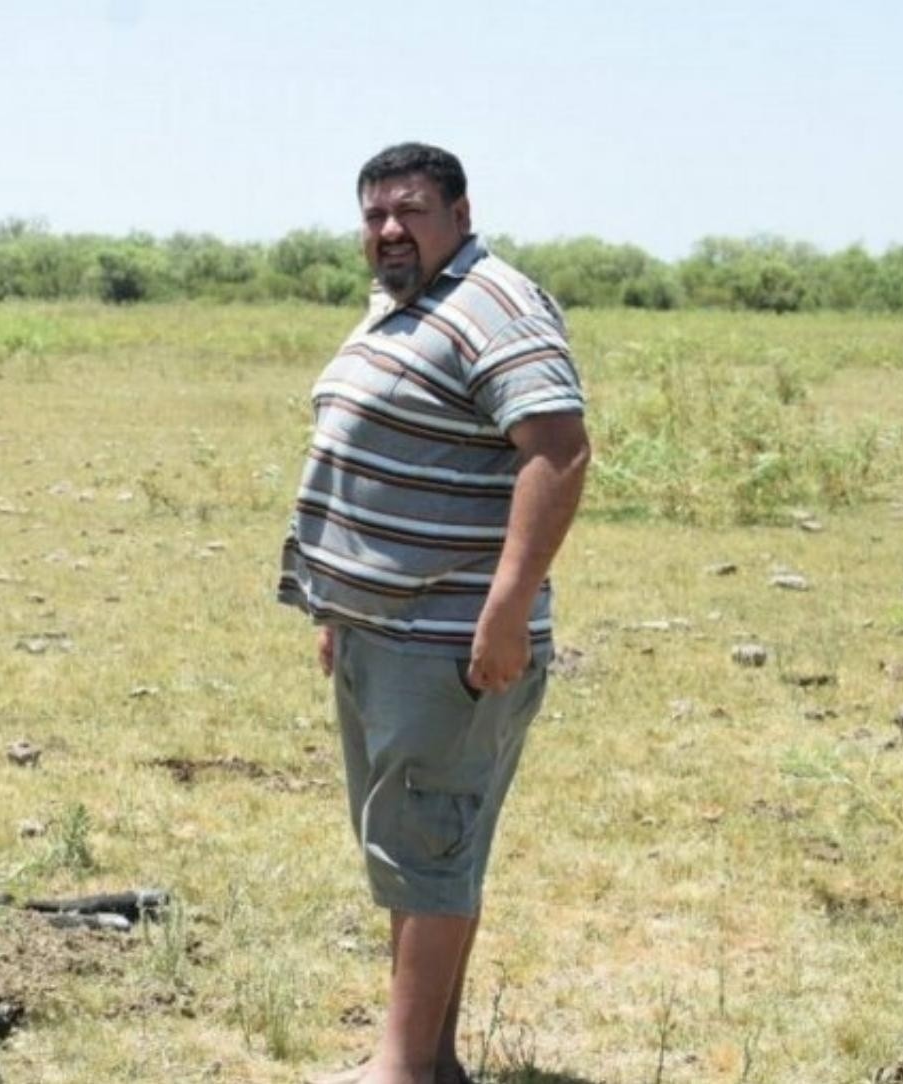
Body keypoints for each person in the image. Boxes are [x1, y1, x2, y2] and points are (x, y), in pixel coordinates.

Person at [278, 143, 590, 1084]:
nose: (387, 230)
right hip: (382, 631)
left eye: (409, 210)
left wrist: (504, 610)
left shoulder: (496, 303)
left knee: (428, 842)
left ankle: (400, 1072)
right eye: (373, 213)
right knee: (416, 850)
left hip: (448, 639)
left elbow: (558, 452)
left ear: (458, 211)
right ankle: (428, 1061)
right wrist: (338, 605)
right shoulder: (405, 307)